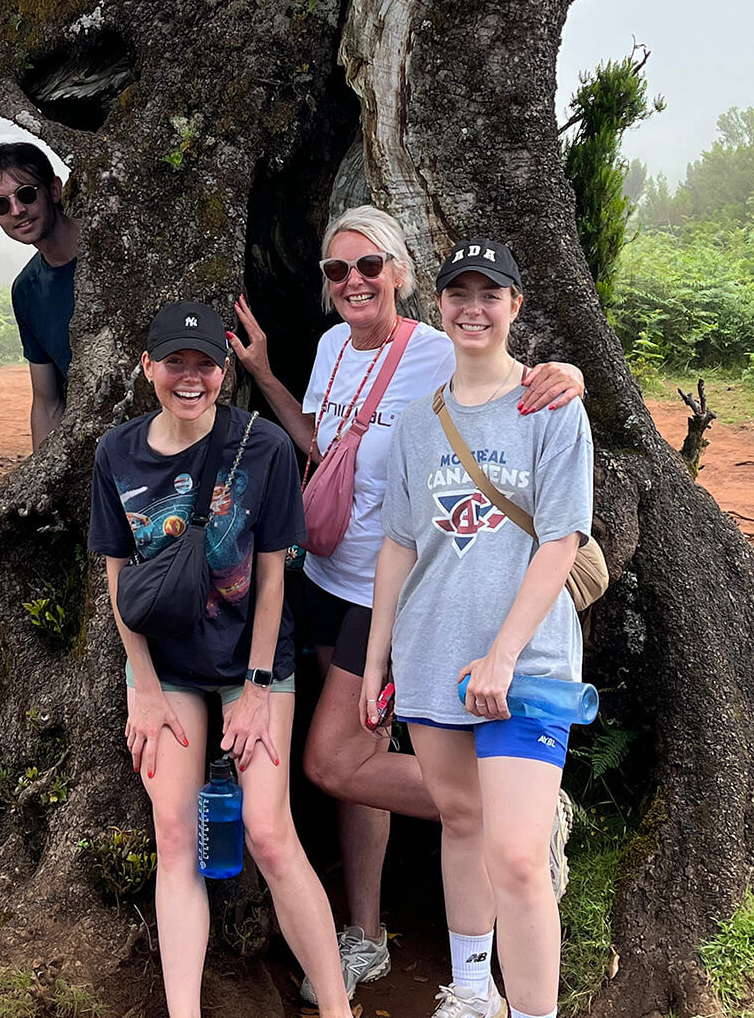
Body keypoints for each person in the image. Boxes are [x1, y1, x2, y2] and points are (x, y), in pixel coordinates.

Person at [229, 205, 584, 1003]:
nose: (352, 281)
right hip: (332, 576)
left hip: (398, 596)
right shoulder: (327, 348)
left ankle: (522, 810)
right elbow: (321, 442)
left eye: (369, 267)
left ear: (400, 275)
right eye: (337, 270)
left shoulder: (431, 351)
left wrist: (572, 377)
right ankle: (366, 932)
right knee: (356, 764)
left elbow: (505, 382)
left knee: (336, 759)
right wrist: (263, 377)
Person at [88, 300, 355, 1018]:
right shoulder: (117, 452)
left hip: (253, 660)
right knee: (173, 831)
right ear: (147, 368)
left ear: (223, 372)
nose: (190, 377)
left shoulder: (262, 446)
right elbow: (118, 575)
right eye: (174, 362)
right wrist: (140, 686)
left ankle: (336, 1008)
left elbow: (274, 573)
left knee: (269, 832)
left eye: (204, 363)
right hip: (165, 666)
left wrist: (260, 685)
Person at [360, 238, 594, 1018]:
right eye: (458, 294)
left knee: (519, 854)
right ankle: (470, 989)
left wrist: (502, 654)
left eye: (490, 295)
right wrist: (374, 662)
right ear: (438, 307)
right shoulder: (422, 426)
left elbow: (561, 540)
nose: (473, 308)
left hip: (528, 663)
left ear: (514, 307)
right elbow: (398, 545)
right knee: (460, 821)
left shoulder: (552, 407)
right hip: (430, 654)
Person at [0, 142, 79, 449]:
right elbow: (47, 403)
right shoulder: (26, 291)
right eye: (1, 205)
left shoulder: (115, 246)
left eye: (27, 194)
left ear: (54, 190)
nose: (17, 210)